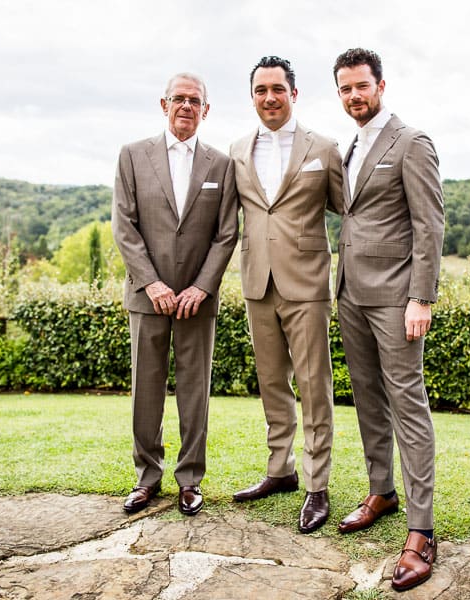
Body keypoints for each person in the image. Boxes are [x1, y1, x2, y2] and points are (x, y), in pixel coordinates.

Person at [332, 48, 445, 591]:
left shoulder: (412, 142)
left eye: (362, 86)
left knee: (408, 403)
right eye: (345, 88)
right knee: (367, 396)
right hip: (349, 293)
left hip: (398, 296)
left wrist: (421, 297)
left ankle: (421, 531)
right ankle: (382, 491)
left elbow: (429, 225)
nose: (354, 96)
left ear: (381, 85)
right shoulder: (349, 147)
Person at [112, 73, 238, 516]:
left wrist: (202, 287)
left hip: (196, 302)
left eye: (195, 100)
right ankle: (147, 478)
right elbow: (123, 226)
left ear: (207, 110)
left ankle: (190, 480)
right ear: (163, 104)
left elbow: (226, 234)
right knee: (146, 390)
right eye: (178, 99)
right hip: (148, 297)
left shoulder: (221, 165)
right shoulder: (132, 155)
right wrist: (152, 282)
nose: (186, 106)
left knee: (194, 391)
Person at [230, 56, 343, 534]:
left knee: (315, 386)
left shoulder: (325, 147)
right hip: (257, 282)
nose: (269, 98)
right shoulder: (237, 150)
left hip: (308, 285)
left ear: (293, 94)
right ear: (253, 96)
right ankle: (282, 471)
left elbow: (349, 210)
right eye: (261, 91)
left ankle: (318, 484)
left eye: (278, 89)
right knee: (272, 382)